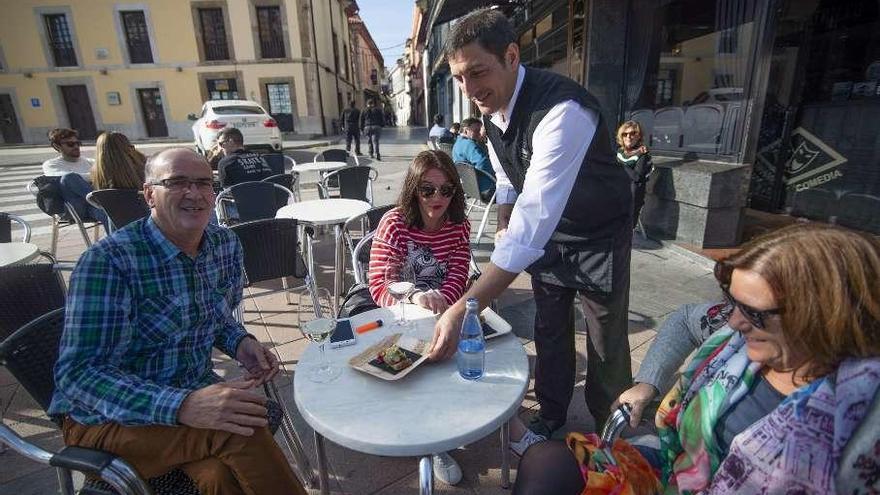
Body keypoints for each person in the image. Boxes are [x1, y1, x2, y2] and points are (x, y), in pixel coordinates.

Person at [513, 223, 880, 495]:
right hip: (673, 470)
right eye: (731, 301)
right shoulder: (742, 327)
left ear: (825, 315)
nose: (733, 321)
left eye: (753, 313)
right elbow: (686, 319)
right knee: (545, 462)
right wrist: (648, 382)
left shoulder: (863, 419)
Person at [48, 148, 306, 495]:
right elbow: (78, 374)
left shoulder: (224, 244)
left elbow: (215, 315)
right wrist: (181, 406)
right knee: (241, 426)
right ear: (149, 194)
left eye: (203, 183)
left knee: (216, 475)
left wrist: (240, 343)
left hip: (189, 390)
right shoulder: (109, 261)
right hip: (104, 419)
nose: (194, 193)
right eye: (177, 183)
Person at [431, 8, 634, 436]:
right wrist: (504, 214)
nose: (470, 90)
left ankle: (608, 429)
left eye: (477, 72)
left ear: (511, 56)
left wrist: (465, 307)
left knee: (604, 339)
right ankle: (552, 412)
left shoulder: (564, 110)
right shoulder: (492, 105)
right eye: (459, 79)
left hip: (598, 231)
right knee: (549, 326)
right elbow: (507, 173)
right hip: (551, 236)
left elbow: (534, 219)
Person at [367, 150, 471, 485]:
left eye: (447, 189)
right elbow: (379, 284)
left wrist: (444, 307)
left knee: (471, 350)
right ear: (414, 189)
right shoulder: (395, 223)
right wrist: (414, 296)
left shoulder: (459, 225)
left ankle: (506, 427)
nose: (438, 197)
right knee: (415, 368)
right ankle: (431, 441)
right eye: (428, 189)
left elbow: (457, 276)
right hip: (399, 314)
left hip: (442, 311)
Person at [41, 127, 106, 224]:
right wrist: (94, 176)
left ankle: (121, 238)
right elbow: (64, 178)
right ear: (57, 146)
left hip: (93, 207)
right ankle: (102, 202)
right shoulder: (51, 164)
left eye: (78, 143)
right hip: (73, 208)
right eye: (70, 144)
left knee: (109, 214)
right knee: (69, 178)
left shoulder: (89, 162)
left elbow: (104, 174)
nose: (76, 146)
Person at [615, 121, 653, 228]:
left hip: (630, 196)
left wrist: (619, 164)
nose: (629, 137)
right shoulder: (620, 152)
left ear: (638, 136)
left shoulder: (642, 154)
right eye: (625, 134)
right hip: (615, 192)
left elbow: (637, 177)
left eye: (633, 134)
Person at [452, 117, 496, 202]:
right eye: (476, 131)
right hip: (486, 189)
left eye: (480, 130)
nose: (479, 133)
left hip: (471, 189)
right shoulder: (470, 145)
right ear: (466, 131)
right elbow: (483, 163)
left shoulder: (458, 143)